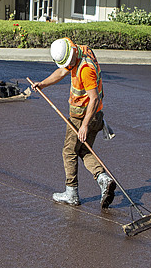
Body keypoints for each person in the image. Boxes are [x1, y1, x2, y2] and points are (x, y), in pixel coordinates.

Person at [30, 37, 116, 208]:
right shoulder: (81, 51)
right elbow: (62, 72)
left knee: (69, 152)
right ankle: (103, 178)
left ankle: (71, 193)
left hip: (83, 117)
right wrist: (43, 84)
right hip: (95, 117)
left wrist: (83, 125)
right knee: (84, 150)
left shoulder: (85, 69)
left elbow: (94, 98)